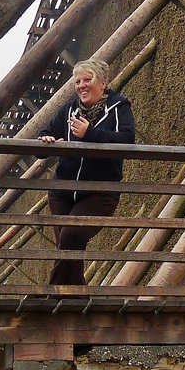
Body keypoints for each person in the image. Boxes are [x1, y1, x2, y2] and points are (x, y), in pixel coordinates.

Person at [37, 58, 135, 286]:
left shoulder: (118, 107)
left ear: (103, 83)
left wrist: (90, 133)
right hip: (62, 191)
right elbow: (45, 134)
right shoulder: (69, 109)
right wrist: (45, 139)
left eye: (87, 79)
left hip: (99, 192)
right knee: (69, 247)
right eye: (78, 81)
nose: (81, 85)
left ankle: (54, 293)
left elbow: (127, 139)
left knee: (70, 237)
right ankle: (76, 296)